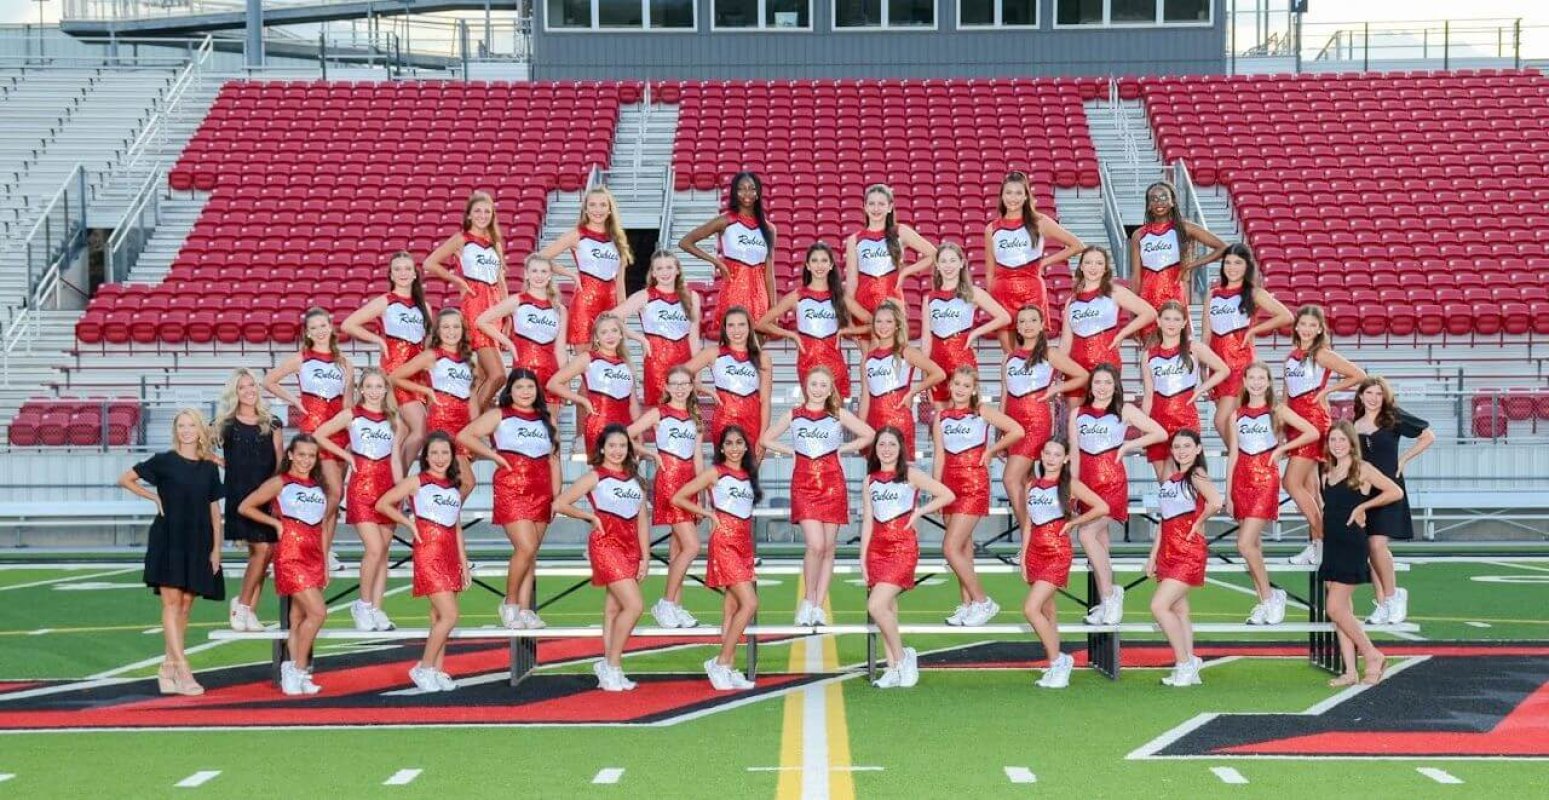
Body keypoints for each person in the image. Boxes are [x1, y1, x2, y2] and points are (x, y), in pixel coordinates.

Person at [118, 409, 224, 697]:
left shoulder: (209, 467)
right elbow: (125, 479)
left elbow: (215, 512)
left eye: (192, 425)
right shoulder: (163, 462)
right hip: (169, 538)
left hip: (199, 540)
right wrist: (154, 497)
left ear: (200, 430)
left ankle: (166, 667)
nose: (186, 430)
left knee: (187, 605)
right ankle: (183, 668)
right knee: (171, 604)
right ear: (176, 430)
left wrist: (217, 549)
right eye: (181, 426)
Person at [761, 366, 876, 626]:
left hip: (833, 483)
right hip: (803, 484)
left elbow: (869, 434)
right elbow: (766, 439)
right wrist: (790, 452)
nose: (818, 389)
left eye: (824, 385)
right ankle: (807, 600)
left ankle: (819, 606)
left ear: (830, 388)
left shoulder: (838, 414)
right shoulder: (794, 414)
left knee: (829, 548)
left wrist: (843, 448)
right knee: (816, 545)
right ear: (806, 385)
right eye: (814, 384)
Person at [459, 369, 561, 631]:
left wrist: (556, 496)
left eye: (530, 387)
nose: (525, 392)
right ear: (510, 391)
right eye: (519, 387)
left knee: (531, 553)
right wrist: (494, 456)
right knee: (525, 548)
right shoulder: (499, 415)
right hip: (511, 487)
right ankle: (510, 602)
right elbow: (464, 436)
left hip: (542, 489)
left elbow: (554, 458)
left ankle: (526, 610)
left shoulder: (544, 419)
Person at [552, 424, 651, 692]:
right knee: (634, 606)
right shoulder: (595, 476)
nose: (617, 451)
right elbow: (560, 503)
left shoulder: (634, 478)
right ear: (602, 449)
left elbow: (642, 519)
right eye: (612, 446)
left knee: (614, 609)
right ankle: (613, 665)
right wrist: (590, 517)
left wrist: (645, 557)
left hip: (631, 547)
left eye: (622, 446)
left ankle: (609, 668)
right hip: (606, 545)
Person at [1068, 364, 1167, 625]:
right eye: (1097, 382)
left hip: (1112, 482)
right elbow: (1076, 454)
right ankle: (1105, 600)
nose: (1102, 387)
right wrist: (1073, 489)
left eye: (1107, 383)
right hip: (1086, 485)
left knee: (1086, 534)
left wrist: (1129, 445)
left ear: (1115, 386)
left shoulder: (1124, 410)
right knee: (1100, 542)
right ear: (1090, 386)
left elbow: (1160, 433)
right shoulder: (1077, 413)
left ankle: (1112, 595)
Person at [375, 432, 474, 693]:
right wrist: (409, 523)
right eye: (434, 453)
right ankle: (424, 667)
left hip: (451, 553)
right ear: (426, 456)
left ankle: (438, 670)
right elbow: (383, 503)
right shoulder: (416, 482)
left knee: (438, 616)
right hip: (429, 552)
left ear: (452, 456)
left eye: (445, 453)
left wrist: (463, 560)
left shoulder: (454, 485)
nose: (440, 458)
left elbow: (456, 524)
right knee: (450, 615)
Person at [1225, 362, 1318, 625]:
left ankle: (1270, 597)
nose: (1255, 382)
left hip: (1265, 480)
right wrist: (1228, 493)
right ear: (1244, 380)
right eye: (1251, 377)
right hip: (1241, 480)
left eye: (1261, 378)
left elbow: (1312, 433)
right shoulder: (1236, 415)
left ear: (1268, 383)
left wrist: (1280, 451)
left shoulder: (1277, 410)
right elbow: (1233, 454)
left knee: (1243, 544)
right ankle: (1264, 601)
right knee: (1253, 546)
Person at [863, 426, 955, 689]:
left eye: (892, 444)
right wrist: (862, 558)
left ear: (900, 448)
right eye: (882, 445)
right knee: (888, 609)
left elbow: (947, 494)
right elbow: (868, 521)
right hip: (877, 550)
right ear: (875, 449)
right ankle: (892, 667)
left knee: (876, 606)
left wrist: (919, 512)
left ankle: (904, 659)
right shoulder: (869, 480)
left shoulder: (911, 475)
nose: (887, 449)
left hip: (902, 548)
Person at [237, 434, 330, 696]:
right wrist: (277, 524)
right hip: (291, 554)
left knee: (298, 617)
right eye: (301, 455)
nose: (306, 460)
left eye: (311, 456)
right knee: (318, 613)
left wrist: (324, 562)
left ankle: (296, 674)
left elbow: (321, 527)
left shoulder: (317, 486)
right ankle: (296, 670)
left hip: (313, 556)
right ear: (290, 454)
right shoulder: (280, 482)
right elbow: (246, 506)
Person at [671, 426, 763, 690]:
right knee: (750, 603)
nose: (734, 447)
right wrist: (710, 515)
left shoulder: (748, 474)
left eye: (739, 443)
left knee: (732, 608)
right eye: (729, 443)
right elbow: (678, 497)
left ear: (746, 447)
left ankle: (729, 667)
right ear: (721, 448)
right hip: (724, 544)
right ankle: (720, 663)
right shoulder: (714, 473)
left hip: (744, 545)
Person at [313, 368, 405, 632]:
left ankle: (376, 608)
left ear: (385, 390)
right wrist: (347, 455)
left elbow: (396, 457)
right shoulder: (351, 414)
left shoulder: (394, 419)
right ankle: (362, 605)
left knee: (384, 552)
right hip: (362, 487)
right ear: (362, 389)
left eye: (380, 386)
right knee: (374, 548)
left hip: (388, 489)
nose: (375, 391)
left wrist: (400, 491)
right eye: (370, 386)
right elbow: (319, 435)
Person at [263, 307, 352, 572]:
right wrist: (294, 401)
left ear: (330, 326)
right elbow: (269, 381)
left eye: (323, 325)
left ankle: (324, 553)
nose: (320, 331)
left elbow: (349, 403)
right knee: (334, 493)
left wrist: (351, 437)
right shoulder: (301, 358)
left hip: (340, 432)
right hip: (314, 433)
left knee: (331, 499)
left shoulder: (345, 363)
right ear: (309, 333)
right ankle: (305, 542)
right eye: (314, 328)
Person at [933, 366, 1024, 627]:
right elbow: (939, 455)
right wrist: (937, 490)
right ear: (950, 386)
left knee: (950, 548)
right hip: (949, 486)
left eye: (965, 385)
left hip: (973, 484)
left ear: (973, 389)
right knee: (962, 549)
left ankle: (983, 601)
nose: (960, 389)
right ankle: (967, 604)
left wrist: (992, 451)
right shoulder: (941, 418)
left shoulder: (981, 412)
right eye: (956, 384)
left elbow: (1017, 430)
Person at [1318, 421, 1403, 687]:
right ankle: (1350, 671)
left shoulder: (1362, 469)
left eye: (1342, 440)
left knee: (1334, 607)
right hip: (1331, 544)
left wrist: (1363, 507)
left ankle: (1372, 654)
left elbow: (1395, 491)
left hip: (1352, 544)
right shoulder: (1326, 473)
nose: (1337, 445)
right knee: (1342, 610)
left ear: (1352, 442)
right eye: (1333, 440)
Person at [1283, 306, 1368, 566]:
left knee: (1291, 483)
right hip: (1294, 422)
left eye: (1312, 325)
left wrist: (1327, 391)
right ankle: (1317, 547)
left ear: (1320, 329)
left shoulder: (1321, 354)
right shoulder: (1292, 355)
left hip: (1313, 422)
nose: (1306, 329)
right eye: (1303, 324)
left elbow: (1359, 375)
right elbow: (1286, 392)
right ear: (1296, 326)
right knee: (1310, 489)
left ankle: (1322, 540)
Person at [1020, 439, 1108, 689]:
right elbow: (1028, 524)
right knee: (1048, 612)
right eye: (1047, 452)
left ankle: (1060, 660)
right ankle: (1054, 665)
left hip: (1056, 553)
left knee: (1030, 609)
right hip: (1035, 552)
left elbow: (1102, 507)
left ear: (1066, 458)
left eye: (1057, 454)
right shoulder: (1032, 486)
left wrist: (1074, 523)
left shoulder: (1070, 485)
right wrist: (1024, 556)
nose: (1050, 458)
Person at [627, 366, 705, 628]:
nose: (681, 388)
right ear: (667, 387)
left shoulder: (695, 418)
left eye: (685, 383)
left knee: (679, 549)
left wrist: (702, 492)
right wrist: (650, 454)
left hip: (690, 484)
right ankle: (667, 604)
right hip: (670, 483)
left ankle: (675, 606)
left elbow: (698, 458)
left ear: (692, 386)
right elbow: (625, 435)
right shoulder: (659, 413)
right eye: (675, 383)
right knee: (693, 547)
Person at [1001, 304, 1088, 543]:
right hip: (1012, 426)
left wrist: (1057, 387)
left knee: (1010, 479)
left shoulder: (1050, 354)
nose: (1027, 325)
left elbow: (1082, 375)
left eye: (1032, 320)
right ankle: (1042, 533)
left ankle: (1028, 537)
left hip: (1036, 423)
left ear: (1042, 325)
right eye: (1022, 321)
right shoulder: (1009, 358)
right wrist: (1001, 430)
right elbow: (1006, 396)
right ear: (1017, 327)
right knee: (1027, 483)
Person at [1146, 429, 1224, 688]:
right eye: (1177, 446)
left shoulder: (1197, 474)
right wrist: (1152, 556)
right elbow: (1164, 521)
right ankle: (1189, 662)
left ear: (1198, 449)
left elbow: (1216, 501)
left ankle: (1184, 663)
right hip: (1168, 550)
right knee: (1179, 609)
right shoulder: (1171, 479)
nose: (1181, 451)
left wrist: (1196, 524)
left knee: (1159, 606)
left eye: (1187, 446)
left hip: (1188, 551)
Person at [1353, 377, 1434, 625]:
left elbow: (1428, 436)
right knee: (1368, 549)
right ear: (1360, 396)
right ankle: (1382, 603)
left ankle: (1393, 595)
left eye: (1379, 394)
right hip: (1364, 491)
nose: (1374, 398)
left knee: (1377, 545)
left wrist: (1403, 460)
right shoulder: (1354, 424)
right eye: (1369, 393)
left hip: (1389, 489)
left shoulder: (1393, 418)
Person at [340, 251, 432, 470]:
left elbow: (427, 344)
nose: (403, 273)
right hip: (395, 374)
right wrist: (379, 340)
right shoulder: (385, 302)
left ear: (415, 275)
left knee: (406, 433)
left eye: (407, 269)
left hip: (418, 377)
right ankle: (396, 485)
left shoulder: (424, 308)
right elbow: (348, 324)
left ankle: (391, 481)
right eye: (397, 269)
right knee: (419, 430)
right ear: (390, 274)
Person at [423, 190, 508, 410]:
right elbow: (430, 263)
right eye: (477, 211)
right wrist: (457, 279)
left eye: (487, 211)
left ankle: (470, 427)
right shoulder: (461, 239)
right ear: (469, 215)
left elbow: (500, 281)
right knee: (499, 375)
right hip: (476, 306)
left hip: (495, 308)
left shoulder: (494, 244)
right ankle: (471, 425)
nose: (482, 215)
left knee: (482, 376)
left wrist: (507, 314)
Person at [213, 368, 281, 633]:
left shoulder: (272, 422)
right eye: (242, 387)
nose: (249, 391)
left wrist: (274, 493)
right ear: (235, 392)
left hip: (265, 494)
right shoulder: (227, 424)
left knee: (263, 554)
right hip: (240, 494)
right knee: (262, 551)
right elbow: (201, 443)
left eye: (252, 385)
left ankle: (249, 609)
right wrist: (217, 460)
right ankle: (242, 605)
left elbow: (278, 459)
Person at [984, 170, 1084, 350]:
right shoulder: (991, 229)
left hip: (1032, 292)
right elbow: (989, 271)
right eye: (1008, 192)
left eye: (1018, 193)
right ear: (1001, 196)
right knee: (1010, 359)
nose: (1013, 198)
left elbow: (1077, 245)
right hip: (1002, 295)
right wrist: (992, 303)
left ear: (1025, 196)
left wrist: (1044, 263)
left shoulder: (1039, 222)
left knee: (1034, 354)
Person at [757, 241, 870, 400]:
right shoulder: (798, 295)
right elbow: (761, 323)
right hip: (806, 362)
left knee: (836, 416)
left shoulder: (840, 296)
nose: (819, 265)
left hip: (834, 363)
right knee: (813, 413)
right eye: (815, 261)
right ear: (808, 266)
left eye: (824, 260)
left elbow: (873, 323)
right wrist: (792, 335)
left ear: (831, 265)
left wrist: (847, 331)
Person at [1203, 243, 1293, 443]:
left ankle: (1244, 461)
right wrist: (1203, 370)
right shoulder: (1213, 294)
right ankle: (1250, 461)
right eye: (1227, 262)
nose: (1232, 267)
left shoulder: (1253, 293)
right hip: (1217, 367)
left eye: (1237, 262)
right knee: (1235, 423)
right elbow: (1205, 336)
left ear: (1246, 266)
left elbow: (1286, 316)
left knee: (1220, 421)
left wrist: (1253, 330)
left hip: (1240, 365)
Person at [1140, 301, 1229, 480]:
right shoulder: (1148, 355)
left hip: (1185, 420)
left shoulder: (1194, 348)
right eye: (1167, 319)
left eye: (1176, 319)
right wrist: (1144, 425)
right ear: (1158, 321)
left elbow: (1224, 369)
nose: (1171, 323)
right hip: (1157, 422)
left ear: (1184, 323)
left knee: (1185, 476)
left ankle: (1205, 505)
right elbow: (1148, 395)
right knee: (1165, 485)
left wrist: (1200, 390)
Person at [538, 186, 633, 349]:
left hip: (611, 306)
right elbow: (539, 258)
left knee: (608, 363)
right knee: (586, 364)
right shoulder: (577, 234)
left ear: (610, 209)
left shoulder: (617, 239)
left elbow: (620, 283)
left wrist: (622, 313)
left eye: (603, 205)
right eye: (593, 205)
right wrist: (569, 274)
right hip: (585, 305)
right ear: (586, 209)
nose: (598, 210)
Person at [390, 308, 480, 477]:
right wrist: (425, 390)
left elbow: (473, 397)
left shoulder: (469, 358)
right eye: (445, 327)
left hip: (464, 427)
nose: (451, 332)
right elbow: (395, 377)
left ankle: (423, 502)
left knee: (451, 481)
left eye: (456, 327)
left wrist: (475, 431)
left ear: (462, 329)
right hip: (441, 424)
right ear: (438, 331)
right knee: (467, 482)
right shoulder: (431, 356)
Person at [1128, 181, 1227, 332]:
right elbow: (1135, 277)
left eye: (1163, 197)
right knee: (1151, 351)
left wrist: (1192, 264)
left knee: (1178, 348)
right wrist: (1133, 313)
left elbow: (1223, 248)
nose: (1159, 202)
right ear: (1148, 205)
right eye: (1153, 199)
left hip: (1175, 298)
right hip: (1147, 300)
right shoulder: (1139, 235)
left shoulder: (1184, 228)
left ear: (1172, 202)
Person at [679, 171, 777, 323]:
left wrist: (774, 310)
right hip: (733, 294)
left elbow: (769, 275)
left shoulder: (769, 229)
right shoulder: (725, 221)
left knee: (756, 345)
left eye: (752, 188)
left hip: (760, 298)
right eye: (741, 188)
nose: (747, 193)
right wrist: (716, 262)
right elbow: (685, 242)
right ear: (734, 193)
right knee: (732, 342)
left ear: (758, 193)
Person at [921, 241, 1010, 407]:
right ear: (937, 265)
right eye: (944, 261)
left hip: (962, 361)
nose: (948, 266)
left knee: (966, 412)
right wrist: (925, 373)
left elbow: (1004, 317)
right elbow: (926, 339)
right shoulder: (929, 299)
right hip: (936, 363)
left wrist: (975, 333)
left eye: (953, 260)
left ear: (962, 263)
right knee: (941, 418)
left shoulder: (972, 293)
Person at [1059, 247, 1156, 397]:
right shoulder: (1071, 300)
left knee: (1107, 415)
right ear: (1081, 266)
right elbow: (1066, 342)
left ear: (1105, 268)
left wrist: (1121, 334)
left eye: (1099, 263)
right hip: (1075, 367)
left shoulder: (1115, 291)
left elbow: (1150, 313)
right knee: (1076, 418)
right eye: (1088, 262)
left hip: (1106, 364)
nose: (1093, 267)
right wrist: (1059, 369)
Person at [610, 250, 702, 406]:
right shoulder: (644, 296)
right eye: (659, 268)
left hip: (685, 365)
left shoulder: (692, 296)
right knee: (659, 416)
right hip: (656, 365)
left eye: (669, 267)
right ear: (652, 273)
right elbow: (609, 318)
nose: (664, 272)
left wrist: (698, 375)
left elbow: (694, 338)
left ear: (677, 270)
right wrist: (639, 338)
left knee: (684, 417)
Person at [477, 254, 569, 410]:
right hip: (524, 373)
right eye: (534, 271)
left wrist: (564, 381)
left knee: (551, 427)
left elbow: (560, 349)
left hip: (551, 374)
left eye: (543, 271)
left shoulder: (559, 309)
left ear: (550, 275)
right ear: (526, 274)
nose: (538, 276)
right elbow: (481, 321)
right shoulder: (517, 301)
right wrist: (509, 344)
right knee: (523, 422)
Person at [859, 299, 946, 458]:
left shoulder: (906, 352)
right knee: (876, 476)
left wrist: (913, 391)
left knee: (902, 474)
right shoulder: (867, 359)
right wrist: (860, 429)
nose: (883, 326)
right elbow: (865, 397)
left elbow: (939, 373)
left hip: (899, 421)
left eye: (888, 321)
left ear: (897, 324)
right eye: (878, 321)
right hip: (873, 422)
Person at [682, 307, 772, 459]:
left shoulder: (763, 359)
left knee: (749, 478)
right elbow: (678, 375)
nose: (736, 330)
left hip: (753, 424)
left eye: (741, 324)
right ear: (724, 328)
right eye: (731, 325)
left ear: (749, 327)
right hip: (723, 422)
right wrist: (703, 389)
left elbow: (765, 401)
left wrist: (763, 437)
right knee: (725, 476)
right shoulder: (713, 353)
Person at [546, 312, 640, 456]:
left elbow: (633, 404)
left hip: (624, 429)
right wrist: (582, 400)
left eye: (614, 331)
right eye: (604, 332)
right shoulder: (588, 358)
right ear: (596, 338)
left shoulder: (626, 364)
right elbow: (553, 384)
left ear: (621, 335)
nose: (610, 336)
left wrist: (638, 435)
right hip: (598, 427)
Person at [845, 184, 937, 315]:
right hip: (862, 308)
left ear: (889, 207)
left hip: (892, 305)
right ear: (865, 207)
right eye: (871, 204)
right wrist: (850, 317)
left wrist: (906, 271)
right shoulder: (854, 240)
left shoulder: (900, 231)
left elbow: (934, 254)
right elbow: (851, 283)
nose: (876, 208)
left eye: (881, 204)